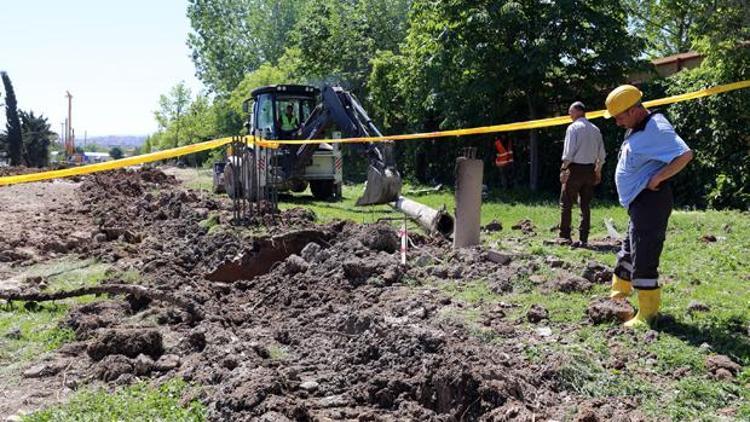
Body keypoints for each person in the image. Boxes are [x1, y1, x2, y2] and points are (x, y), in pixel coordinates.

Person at [605, 85, 693, 328]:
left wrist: (659, 177)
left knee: (644, 253)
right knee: (629, 250)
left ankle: (648, 313)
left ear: (634, 110)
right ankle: (618, 296)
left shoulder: (656, 127)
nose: (617, 122)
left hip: (651, 201)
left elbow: (684, 155)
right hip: (639, 202)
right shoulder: (638, 127)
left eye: (619, 117)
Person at [558, 101, 606, 247]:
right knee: (585, 205)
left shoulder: (573, 128)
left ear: (579, 111)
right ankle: (584, 238)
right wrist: (598, 172)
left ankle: (565, 236)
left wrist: (563, 169)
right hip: (590, 170)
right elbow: (602, 155)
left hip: (575, 170)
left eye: (570, 111)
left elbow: (568, 153)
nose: (569, 114)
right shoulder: (595, 129)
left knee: (566, 203)